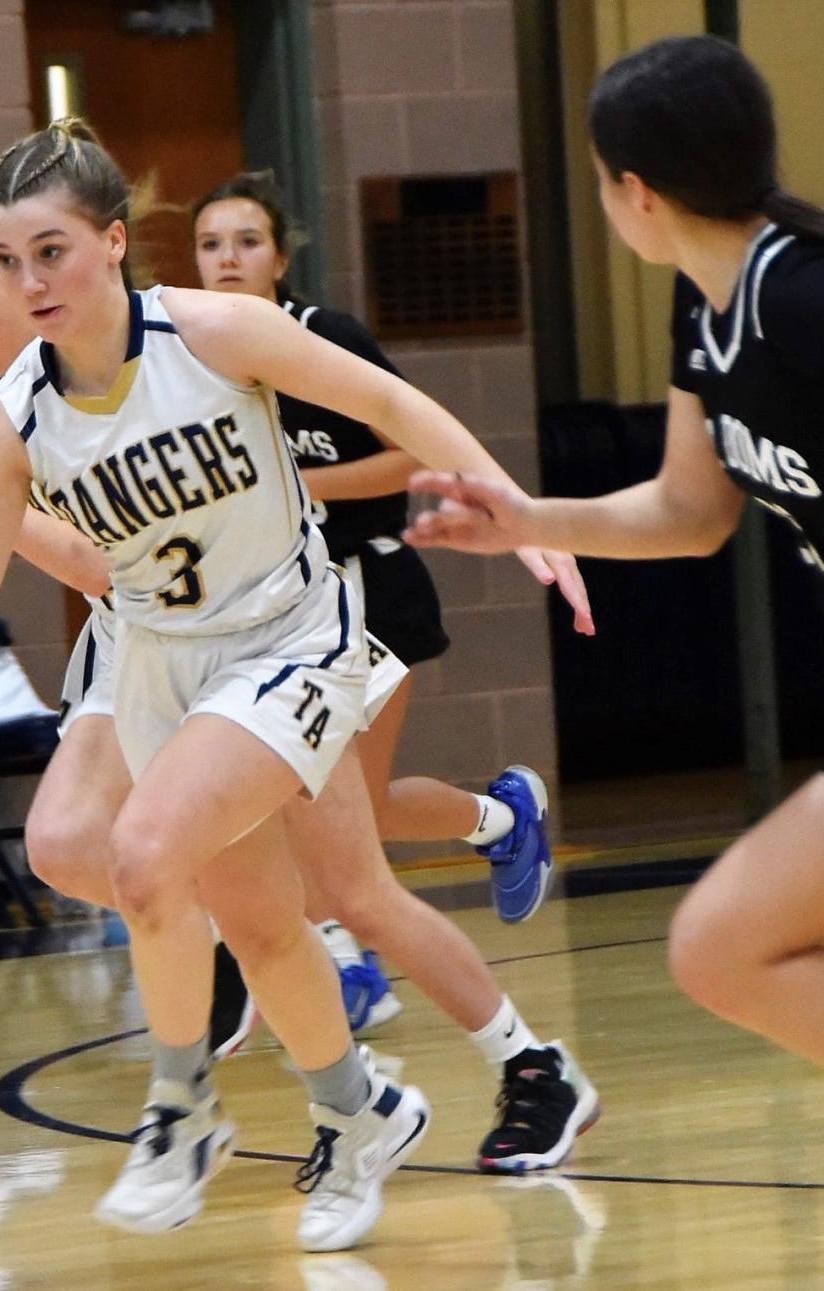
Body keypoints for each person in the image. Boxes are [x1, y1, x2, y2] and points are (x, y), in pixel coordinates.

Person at [0, 184, 599, 1184]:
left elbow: (401, 429)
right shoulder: (10, 399)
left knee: (346, 883)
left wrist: (521, 519)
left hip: (301, 618)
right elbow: (87, 561)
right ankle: (268, 961)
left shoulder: (233, 338)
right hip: (161, 644)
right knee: (79, 845)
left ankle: (522, 1051)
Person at [405, 34, 824, 1070]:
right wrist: (524, 520)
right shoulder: (708, 296)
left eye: (595, 181)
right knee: (724, 948)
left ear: (634, 189)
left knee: (728, 945)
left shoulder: (804, 299)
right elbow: (690, 509)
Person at [191, 169, 595, 932]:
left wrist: (306, 485)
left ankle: (346, 967)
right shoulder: (198, 363)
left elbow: (411, 454)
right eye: (210, 244)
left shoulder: (328, 337)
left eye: (247, 241)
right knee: (337, 807)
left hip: (369, 579)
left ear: (279, 259)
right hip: (276, 599)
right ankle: (500, 820)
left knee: (335, 807)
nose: (228, 258)